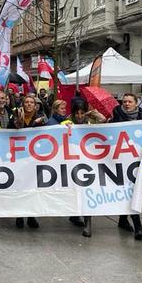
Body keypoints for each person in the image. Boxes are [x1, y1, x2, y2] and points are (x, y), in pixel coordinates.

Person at [63, 101, 106, 235]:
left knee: (88, 192)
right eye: (77, 113)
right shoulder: (67, 122)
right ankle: (74, 214)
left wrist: (99, 116)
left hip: (89, 164)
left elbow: (106, 126)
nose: (80, 116)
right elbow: (59, 129)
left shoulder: (90, 123)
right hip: (72, 164)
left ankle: (88, 223)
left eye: (82, 113)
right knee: (74, 192)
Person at [110, 93, 142, 240]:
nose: (126, 104)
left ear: (136, 103)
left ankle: (123, 219)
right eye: (124, 101)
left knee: (132, 190)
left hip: (136, 160)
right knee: (128, 190)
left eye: (130, 101)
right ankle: (138, 226)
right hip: (120, 160)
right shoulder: (116, 115)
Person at [10, 94, 46, 229]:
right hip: (19, 156)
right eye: (27, 102)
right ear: (23, 104)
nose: (29, 104)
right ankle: (19, 215)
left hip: (34, 157)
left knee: (32, 187)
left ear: (35, 105)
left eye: (32, 102)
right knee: (20, 187)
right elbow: (8, 130)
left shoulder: (41, 117)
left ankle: (31, 216)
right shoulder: (16, 115)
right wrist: (16, 124)